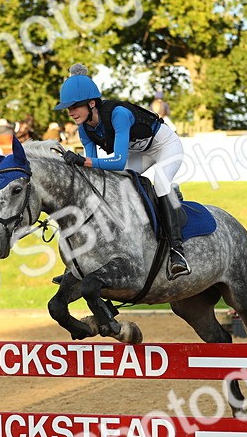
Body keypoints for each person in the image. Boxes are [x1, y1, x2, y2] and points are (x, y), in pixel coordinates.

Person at [53, 63, 191, 280]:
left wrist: (82, 160)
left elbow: (117, 161)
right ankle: (80, 266)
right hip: (139, 152)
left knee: (161, 182)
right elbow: (94, 167)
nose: (70, 112)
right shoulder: (84, 129)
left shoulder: (118, 114)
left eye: (74, 107)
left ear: (91, 103)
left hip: (165, 145)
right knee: (117, 185)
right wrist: (80, 165)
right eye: (68, 108)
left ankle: (177, 251)